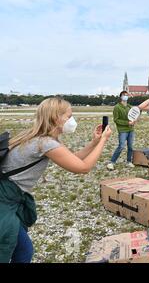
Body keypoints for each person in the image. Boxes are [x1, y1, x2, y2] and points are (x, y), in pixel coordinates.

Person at [0, 97, 112, 263]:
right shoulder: (45, 143)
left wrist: (94, 142)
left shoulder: (39, 138)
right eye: (68, 116)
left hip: (7, 197)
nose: (71, 120)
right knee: (19, 250)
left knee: (23, 250)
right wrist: (103, 140)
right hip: (4, 201)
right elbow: (83, 168)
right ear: (55, 118)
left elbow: (73, 160)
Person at [107, 91, 136, 170]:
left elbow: (133, 116)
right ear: (120, 97)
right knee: (121, 146)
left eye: (127, 95)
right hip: (123, 130)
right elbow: (116, 120)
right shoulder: (117, 107)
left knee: (130, 146)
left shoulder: (129, 107)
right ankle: (111, 162)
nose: (125, 96)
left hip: (131, 130)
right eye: (124, 95)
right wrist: (127, 123)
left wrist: (134, 121)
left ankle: (129, 162)